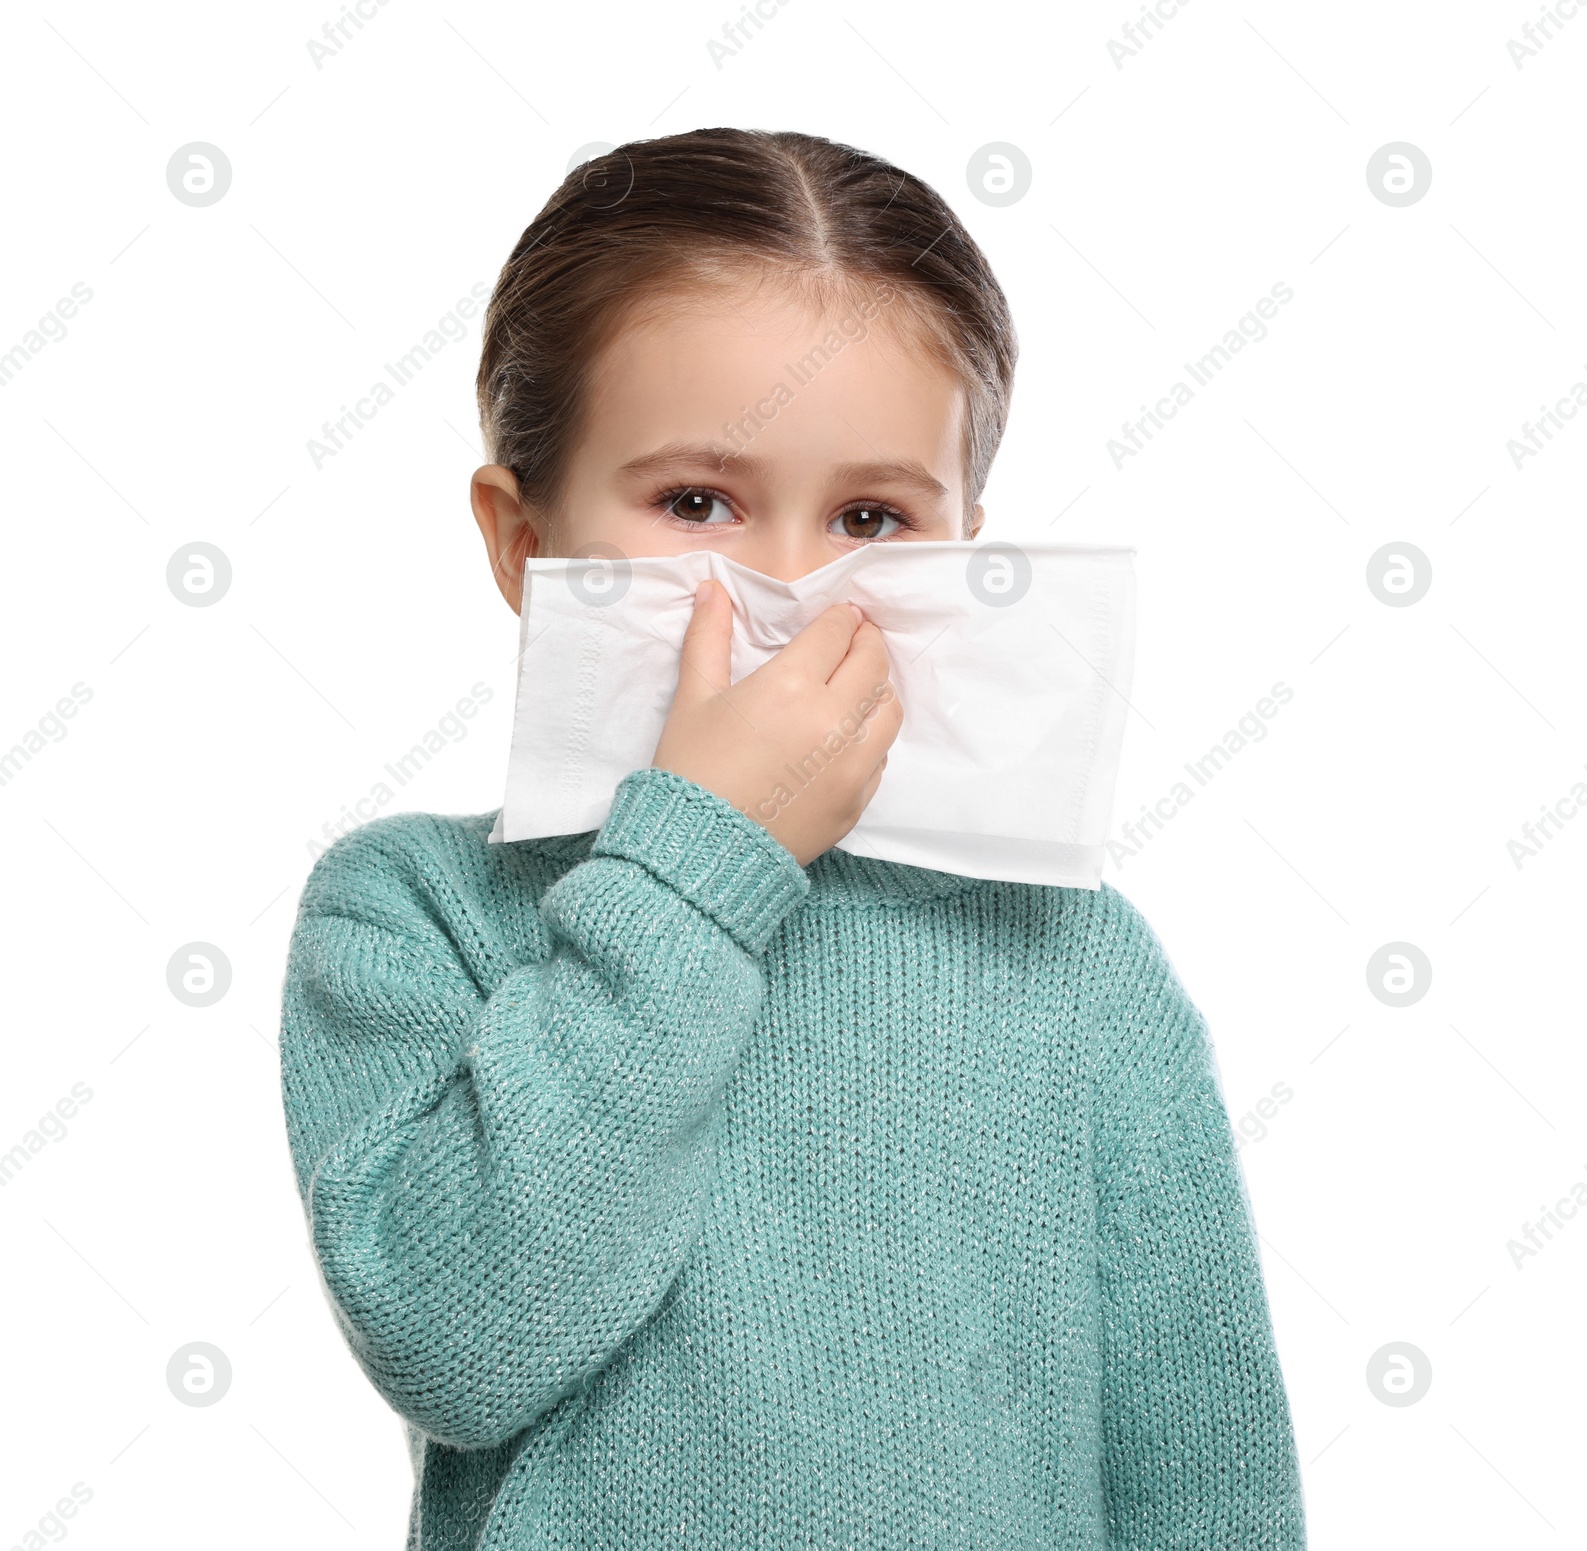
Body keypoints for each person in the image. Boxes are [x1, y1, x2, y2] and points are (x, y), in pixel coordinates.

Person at [277, 126, 1307, 1549]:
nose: (788, 591)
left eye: (872, 518)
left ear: (963, 559)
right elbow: (460, 1342)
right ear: (524, 541)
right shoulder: (409, 911)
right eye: (696, 502)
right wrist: (698, 860)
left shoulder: (1074, 960)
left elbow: (1208, 1487)